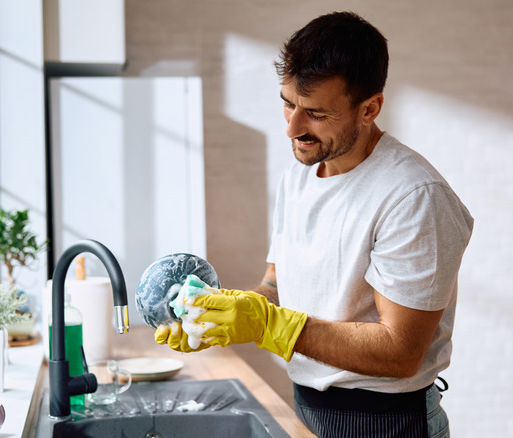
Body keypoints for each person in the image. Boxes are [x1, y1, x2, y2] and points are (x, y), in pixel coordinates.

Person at [155, 11, 473, 438]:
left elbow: (400, 352)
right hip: (307, 407)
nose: (292, 127)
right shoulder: (301, 175)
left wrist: (268, 325)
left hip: (388, 423)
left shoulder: (414, 196)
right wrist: (221, 312)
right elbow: (276, 285)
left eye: (315, 113)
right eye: (287, 103)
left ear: (369, 109)